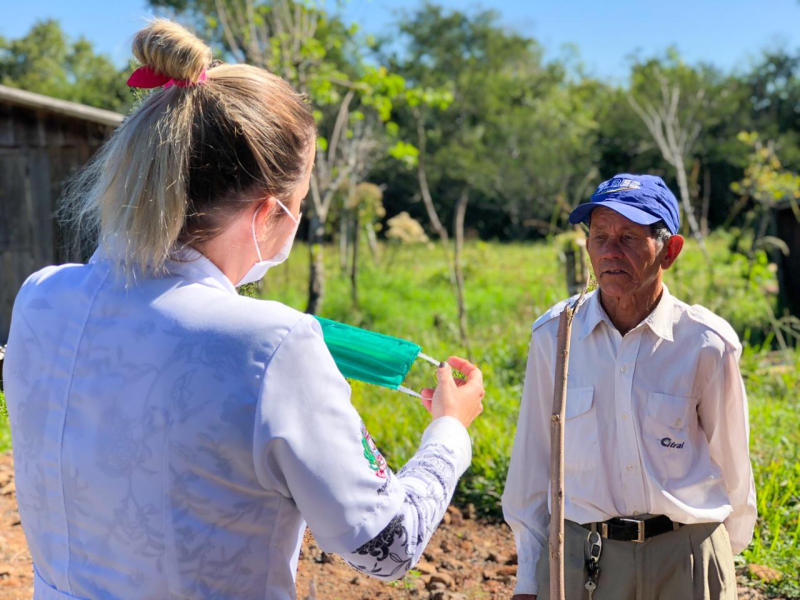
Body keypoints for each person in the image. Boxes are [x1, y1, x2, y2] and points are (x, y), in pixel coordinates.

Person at [2, 20, 484, 600]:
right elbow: (388, 543)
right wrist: (449, 432)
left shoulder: (41, 297)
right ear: (265, 215)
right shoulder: (272, 343)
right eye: (298, 206)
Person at [503, 174, 756, 600]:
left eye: (628, 238)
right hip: (580, 559)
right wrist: (529, 577)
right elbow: (533, 465)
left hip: (685, 559)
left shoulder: (707, 343)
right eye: (599, 236)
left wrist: (713, 563)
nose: (609, 251)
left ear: (669, 251)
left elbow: (733, 469)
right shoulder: (555, 336)